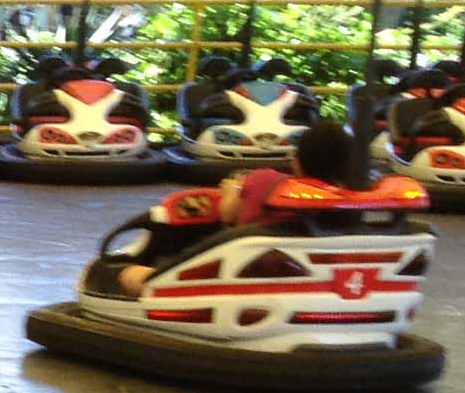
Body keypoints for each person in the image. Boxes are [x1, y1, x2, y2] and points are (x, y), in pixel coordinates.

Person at [116, 120, 380, 296]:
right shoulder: (352, 203)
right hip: (320, 283)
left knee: (126, 275)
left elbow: (227, 213)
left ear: (297, 162)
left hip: (243, 279)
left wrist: (234, 189)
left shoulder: (266, 180)